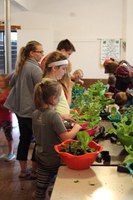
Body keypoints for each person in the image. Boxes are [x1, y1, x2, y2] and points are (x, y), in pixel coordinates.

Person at [32, 78, 81, 200]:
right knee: (57, 184)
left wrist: (62, 117)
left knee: (42, 185)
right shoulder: (53, 116)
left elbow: (46, 121)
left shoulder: (35, 113)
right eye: (60, 97)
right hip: (54, 158)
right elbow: (66, 138)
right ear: (54, 99)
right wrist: (77, 127)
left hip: (40, 155)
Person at [4, 40, 43, 178]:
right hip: (31, 111)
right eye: (40, 52)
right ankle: (34, 170)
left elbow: (10, 81)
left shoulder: (21, 66)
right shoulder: (35, 68)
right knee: (39, 141)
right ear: (32, 53)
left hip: (20, 111)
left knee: (24, 139)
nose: (42, 54)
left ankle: (22, 171)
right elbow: (42, 89)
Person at [42, 51, 71, 118]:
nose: (65, 72)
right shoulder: (49, 85)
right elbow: (47, 112)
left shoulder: (54, 83)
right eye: (63, 68)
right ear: (54, 68)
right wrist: (63, 116)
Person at [0, 74, 15, 161]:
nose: (0, 83)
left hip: (6, 117)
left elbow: (10, 106)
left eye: (2, 81)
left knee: (8, 136)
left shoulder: (9, 92)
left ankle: (11, 152)